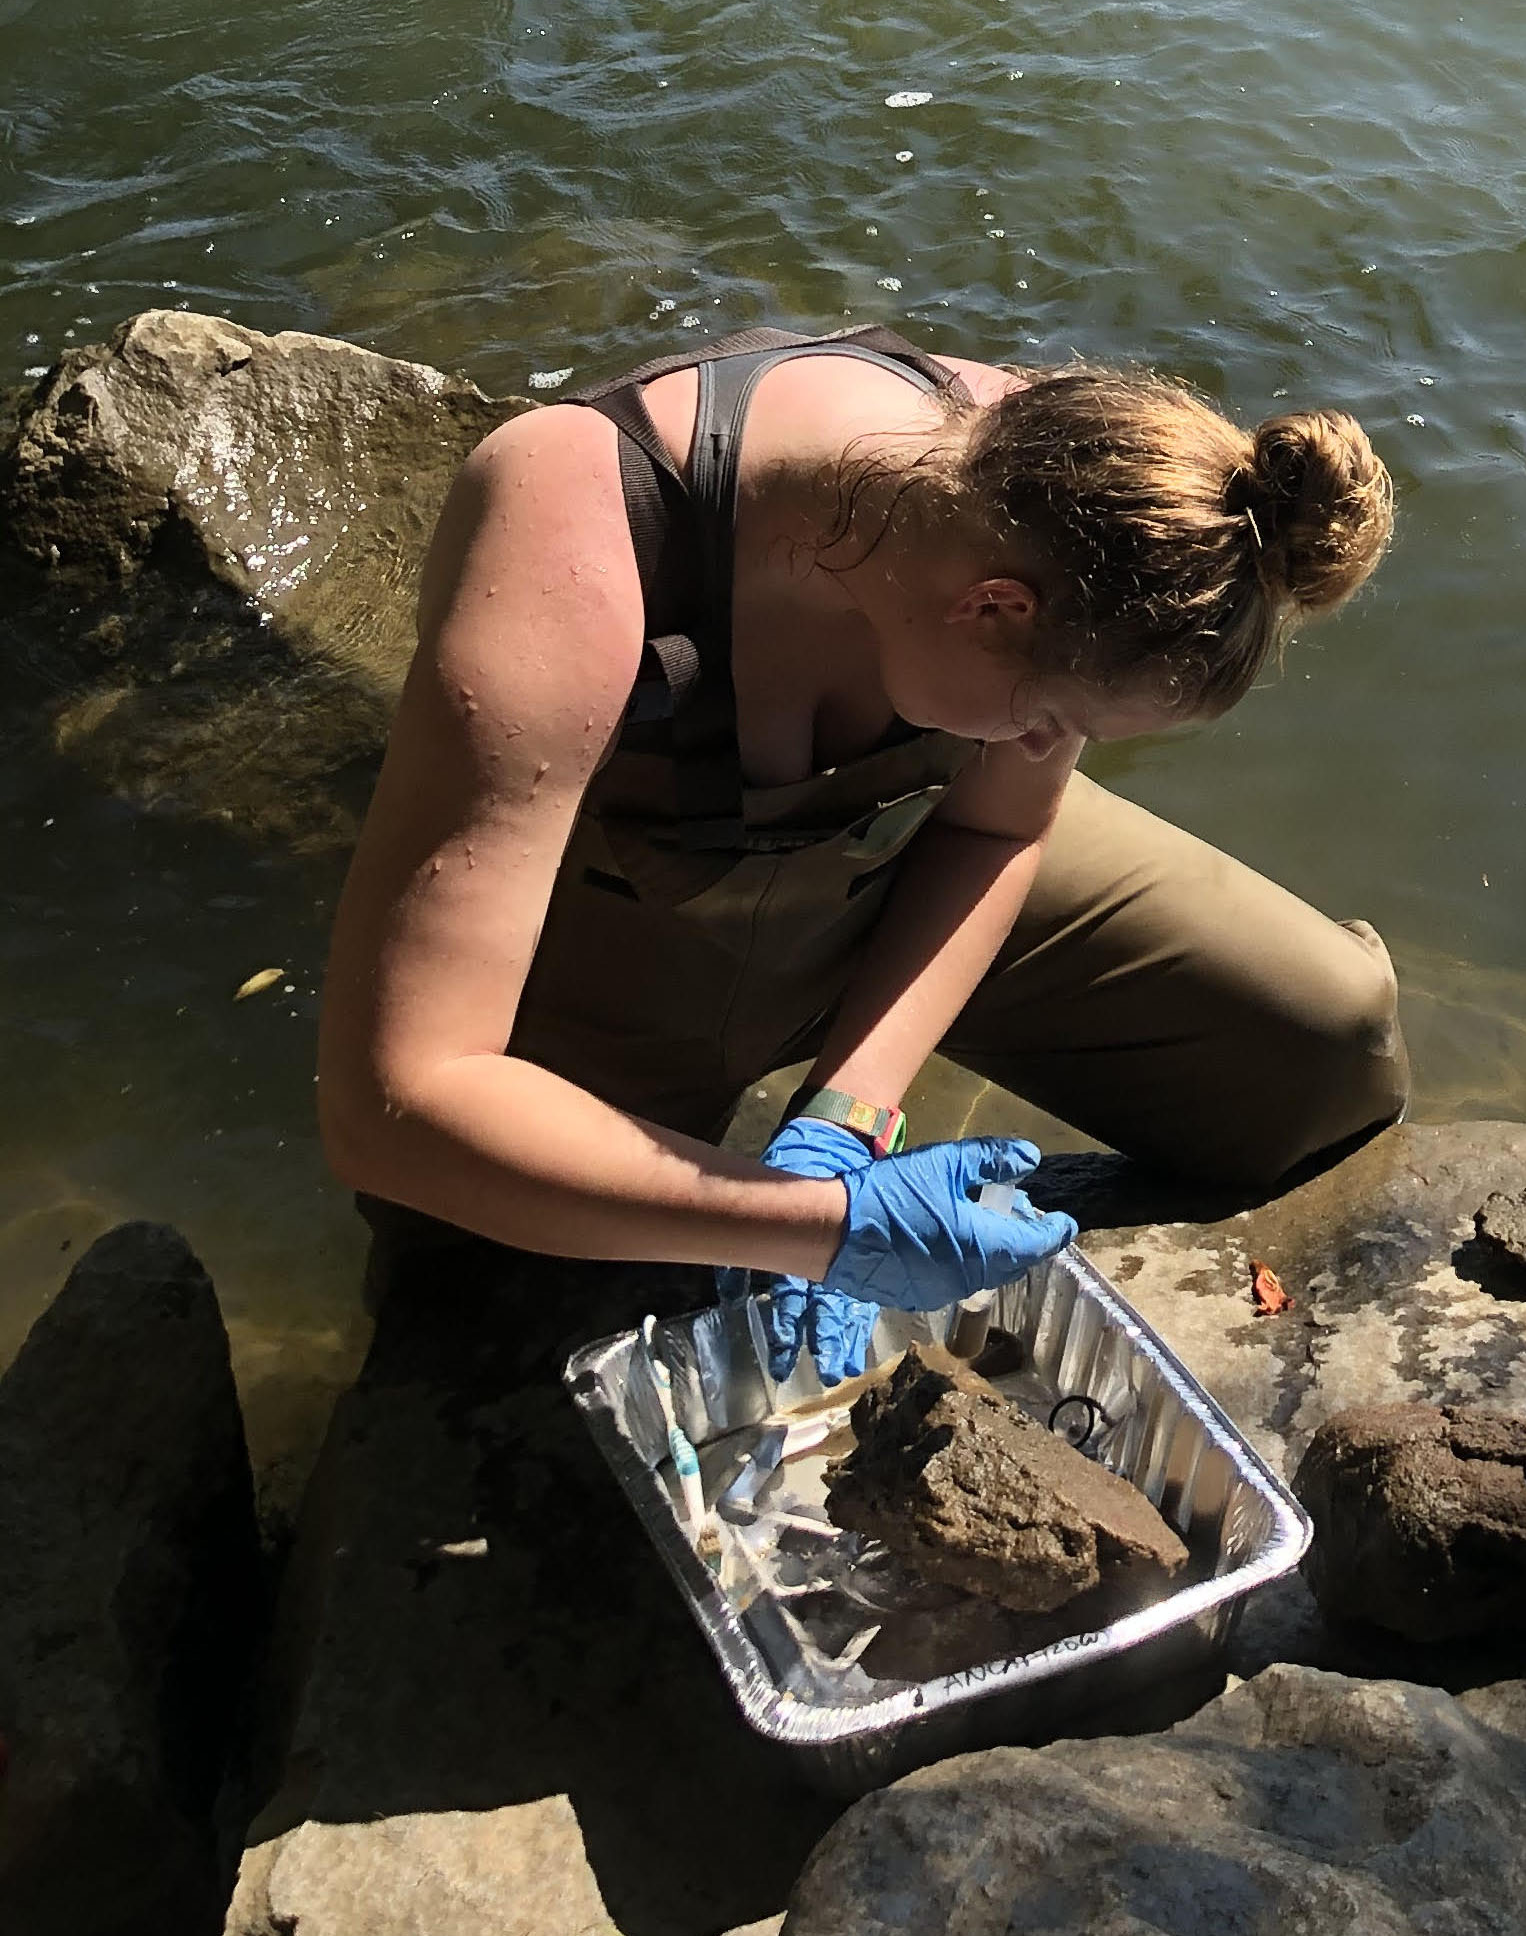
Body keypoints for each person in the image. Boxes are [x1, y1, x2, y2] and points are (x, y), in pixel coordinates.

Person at [317, 323, 1407, 1382]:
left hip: (886, 865)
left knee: (1320, 1049)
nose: (1045, 750)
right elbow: (396, 1105)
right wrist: (813, 1227)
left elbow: (999, 825)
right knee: (484, 1291)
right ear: (990, 609)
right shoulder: (576, 532)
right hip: (632, 935)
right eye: (1049, 720)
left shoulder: (1068, 505)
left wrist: (848, 1119)